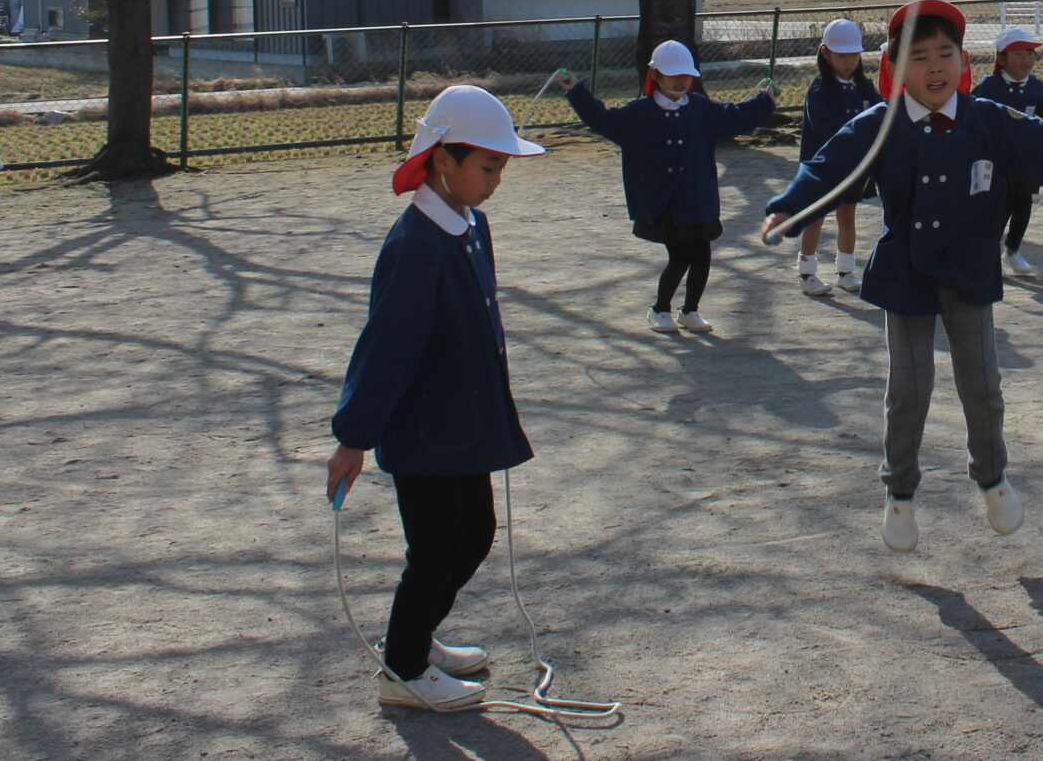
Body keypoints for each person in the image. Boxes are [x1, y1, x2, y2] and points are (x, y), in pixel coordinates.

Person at [760, 0, 1043, 552]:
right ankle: (900, 492)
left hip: (970, 272)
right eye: (919, 56)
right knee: (908, 392)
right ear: (895, 69)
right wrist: (788, 208)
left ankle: (992, 479)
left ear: (964, 61)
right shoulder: (878, 125)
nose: (935, 67)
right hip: (906, 275)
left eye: (945, 54)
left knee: (983, 387)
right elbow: (826, 166)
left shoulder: (988, 120)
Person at [326, 88, 542, 713]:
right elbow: (387, 347)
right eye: (488, 167)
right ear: (443, 159)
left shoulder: (471, 225)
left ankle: (414, 637)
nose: (496, 181)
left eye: (501, 169)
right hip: (424, 430)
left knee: (475, 535)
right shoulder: (415, 245)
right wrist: (353, 438)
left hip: (465, 422)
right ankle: (402, 669)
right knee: (437, 549)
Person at [562, 41, 777, 333]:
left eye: (685, 75)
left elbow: (733, 116)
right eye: (673, 75)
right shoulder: (639, 112)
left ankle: (690, 311)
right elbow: (603, 119)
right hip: (664, 201)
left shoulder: (700, 107)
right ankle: (660, 308)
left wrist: (765, 101)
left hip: (698, 197)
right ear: (655, 74)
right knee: (680, 256)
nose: (681, 81)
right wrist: (576, 91)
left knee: (702, 255)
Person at [971, 23, 1043, 278]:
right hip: (997, 159)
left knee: (1023, 203)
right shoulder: (990, 86)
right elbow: (970, 112)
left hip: (1026, 157)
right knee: (1000, 204)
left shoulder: (1035, 86)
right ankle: (990, 252)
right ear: (1002, 59)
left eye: (1030, 53)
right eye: (1018, 54)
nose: (1026, 60)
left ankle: (1013, 251)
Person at [793, 19, 881, 296]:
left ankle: (846, 271)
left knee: (847, 215)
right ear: (825, 53)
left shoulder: (864, 86)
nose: (849, 61)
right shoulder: (819, 88)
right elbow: (823, 125)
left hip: (852, 168)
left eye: (854, 55)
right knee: (815, 218)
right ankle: (807, 273)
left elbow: (880, 111)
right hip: (821, 167)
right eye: (842, 55)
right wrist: (860, 125)